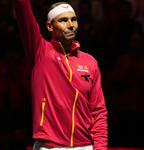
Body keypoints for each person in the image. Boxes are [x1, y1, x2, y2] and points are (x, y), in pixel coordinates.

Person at [12, 0, 108, 149]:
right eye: (63, 20)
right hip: (50, 146)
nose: (70, 25)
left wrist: (100, 147)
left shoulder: (90, 62)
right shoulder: (40, 52)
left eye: (73, 19)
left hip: (85, 146)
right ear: (50, 26)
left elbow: (98, 111)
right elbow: (23, 12)